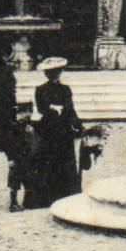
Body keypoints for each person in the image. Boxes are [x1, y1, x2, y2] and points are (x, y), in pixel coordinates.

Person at [28, 56, 83, 208]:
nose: (54, 75)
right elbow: (40, 108)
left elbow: (70, 108)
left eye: (56, 71)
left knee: (65, 161)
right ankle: (47, 196)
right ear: (46, 74)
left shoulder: (66, 89)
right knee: (48, 160)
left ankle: (66, 194)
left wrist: (77, 123)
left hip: (64, 130)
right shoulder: (40, 89)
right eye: (50, 72)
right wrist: (51, 109)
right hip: (49, 129)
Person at [3, 100, 39, 212]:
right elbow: (8, 144)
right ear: (19, 113)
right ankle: (13, 204)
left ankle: (27, 202)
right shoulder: (13, 126)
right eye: (26, 112)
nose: (28, 114)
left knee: (28, 179)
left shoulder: (29, 125)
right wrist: (10, 159)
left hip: (27, 157)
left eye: (30, 111)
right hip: (16, 157)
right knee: (14, 181)